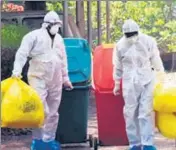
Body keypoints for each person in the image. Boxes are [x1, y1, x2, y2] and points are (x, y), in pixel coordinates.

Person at [12, 11, 73, 150]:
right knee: (40, 109)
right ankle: (38, 140)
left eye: (58, 25)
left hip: (56, 78)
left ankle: (48, 141)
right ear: (47, 25)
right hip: (37, 77)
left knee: (53, 112)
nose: (57, 27)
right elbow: (22, 53)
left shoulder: (59, 39)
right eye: (55, 25)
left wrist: (65, 78)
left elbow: (63, 60)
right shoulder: (33, 36)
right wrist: (17, 71)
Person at [113, 19, 165, 150]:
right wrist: (117, 83)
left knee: (145, 112)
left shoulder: (148, 41)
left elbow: (155, 58)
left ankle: (147, 143)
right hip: (129, 82)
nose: (131, 37)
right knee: (130, 113)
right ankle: (134, 143)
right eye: (128, 35)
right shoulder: (120, 45)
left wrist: (160, 74)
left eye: (133, 34)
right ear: (125, 34)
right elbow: (117, 66)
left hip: (147, 79)